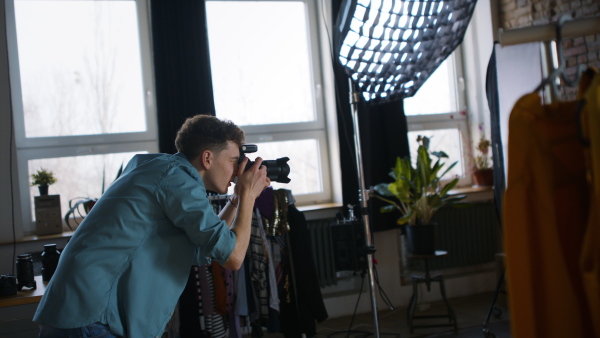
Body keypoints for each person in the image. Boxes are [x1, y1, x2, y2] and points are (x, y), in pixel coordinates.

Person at [33, 115, 270, 337]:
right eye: (233, 161)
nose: (238, 170)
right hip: (92, 318)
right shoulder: (178, 180)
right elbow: (233, 257)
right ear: (207, 158)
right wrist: (248, 196)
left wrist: (237, 199)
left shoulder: (160, 169)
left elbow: (207, 247)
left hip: (78, 312)